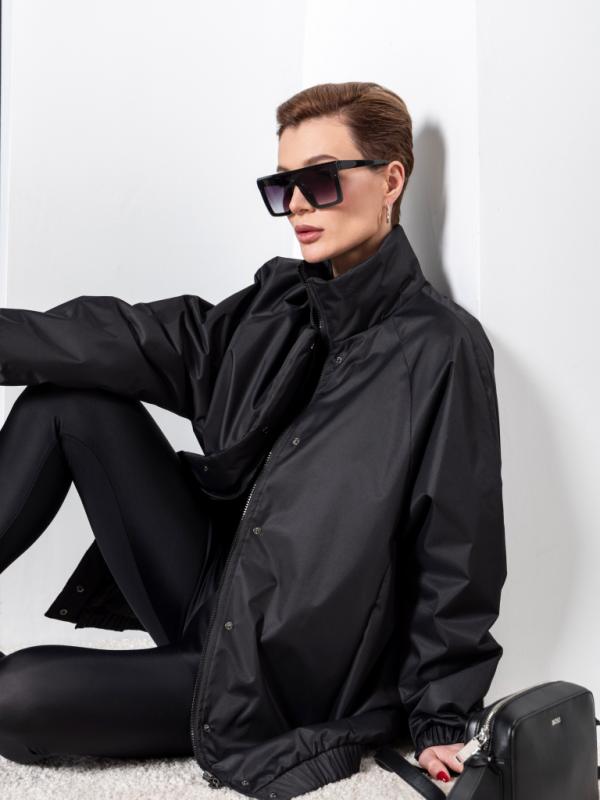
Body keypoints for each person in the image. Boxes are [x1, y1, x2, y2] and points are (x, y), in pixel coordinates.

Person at [0, 81, 506, 796]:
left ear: (391, 180)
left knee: (17, 696)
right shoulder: (282, 301)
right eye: (282, 186)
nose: (296, 203)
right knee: (69, 398)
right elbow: (134, 337)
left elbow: (457, 548)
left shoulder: (440, 349)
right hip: (210, 585)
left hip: (274, 673)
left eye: (320, 180)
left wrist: (441, 718)